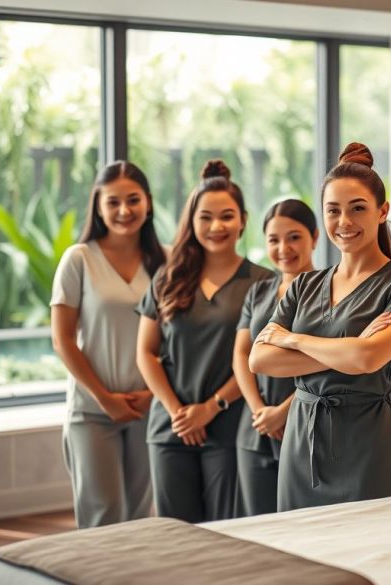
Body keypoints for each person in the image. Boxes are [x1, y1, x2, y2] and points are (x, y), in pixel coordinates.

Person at [250, 142, 391, 511]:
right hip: (303, 438)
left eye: (358, 209)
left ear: (383, 212)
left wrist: (294, 339)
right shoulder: (304, 284)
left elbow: (368, 359)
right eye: (333, 211)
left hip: (367, 439)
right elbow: (261, 359)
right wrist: (347, 350)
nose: (344, 222)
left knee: (371, 549)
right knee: (300, 552)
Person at [135, 160, 272, 522]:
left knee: (225, 531)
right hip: (170, 429)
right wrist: (177, 413)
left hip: (228, 428)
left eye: (227, 216)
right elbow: (146, 353)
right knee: (174, 534)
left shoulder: (264, 284)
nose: (216, 226)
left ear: (243, 220)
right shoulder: (167, 278)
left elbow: (258, 358)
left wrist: (212, 407)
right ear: (191, 221)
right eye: (206, 217)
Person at [50, 160, 167, 528]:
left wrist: (152, 395)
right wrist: (104, 398)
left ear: (147, 202)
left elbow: (176, 338)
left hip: (148, 407)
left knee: (137, 518)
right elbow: (62, 339)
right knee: (102, 516)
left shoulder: (167, 261)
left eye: (133, 200)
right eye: (113, 202)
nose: (124, 211)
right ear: (98, 205)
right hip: (92, 411)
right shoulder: (79, 259)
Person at [232, 199, 319, 515]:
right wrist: (260, 411)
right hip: (255, 428)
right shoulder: (259, 291)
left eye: (294, 237)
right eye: (274, 239)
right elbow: (241, 354)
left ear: (315, 237)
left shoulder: (329, 290)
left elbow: (331, 364)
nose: (284, 248)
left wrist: (283, 412)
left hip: (305, 425)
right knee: (258, 527)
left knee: (302, 523)